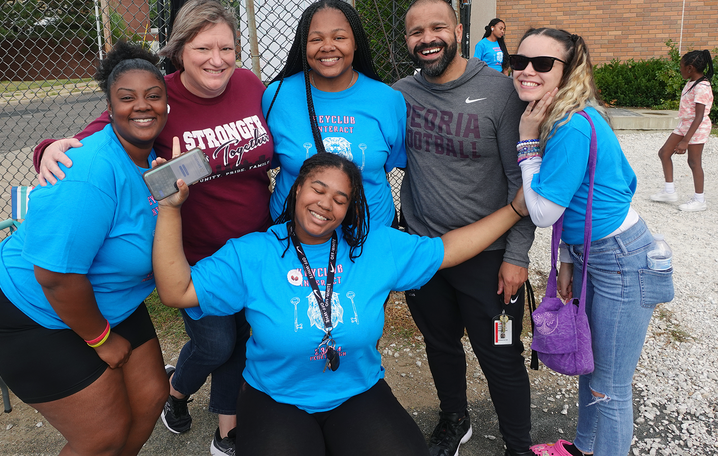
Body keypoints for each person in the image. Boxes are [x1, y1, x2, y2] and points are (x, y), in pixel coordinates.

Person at [152, 150, 529, 456]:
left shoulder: (374, 247)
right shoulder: (253, 253)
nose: (325, 204)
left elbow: (449, 249)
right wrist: (169, 209)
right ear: (297, 189)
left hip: (357, 391)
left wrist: (514, 210)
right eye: (317, 189)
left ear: (349, 209)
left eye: (340, 199)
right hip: (276, 398)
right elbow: (176, 291)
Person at [33, 0, 274, 455]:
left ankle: (228, 426)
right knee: (216, 343)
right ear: (179, 50)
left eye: (227, 48)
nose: (217, 60)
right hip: (196, 254)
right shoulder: (158, 96)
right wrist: (47, 149)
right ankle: (177, 391)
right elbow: (94, 136)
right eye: (203, 48)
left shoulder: (249, 85)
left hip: (254, 245)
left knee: (246, 333)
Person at [0, 42, 169, 456]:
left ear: (167, 104)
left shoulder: (152, 156)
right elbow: (55, 277)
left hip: (108, 298)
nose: (142, 106)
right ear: (109, 108)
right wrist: (101, 339)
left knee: (151, 398)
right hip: (31, 308)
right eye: (127, 98)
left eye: (153, 96)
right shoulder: (89, 171)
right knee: (103, 435)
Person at [513, 28, 674, 456]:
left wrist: (527, 142)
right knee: (589, 366)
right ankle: (582, 449)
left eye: (542, 63)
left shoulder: (570, 126)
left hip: (622, 258)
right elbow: (590, 195)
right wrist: (569, 259)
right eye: (519, 61)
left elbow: (543, 212)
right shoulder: (569, 114)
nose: (527, 71)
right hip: (595, 254)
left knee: (610, 387)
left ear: (567, 70)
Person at [393, 0, 535, 456]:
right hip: (427, 251)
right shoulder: (400, 94)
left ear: (458, 32)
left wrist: (517, 256)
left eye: (437, 28)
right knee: (440, 344)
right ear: (407, 41)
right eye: (416, 32)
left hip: (488, 256)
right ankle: (455, 418)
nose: (427, 39)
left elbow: (523, 184)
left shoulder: (501, 92)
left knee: (501, 354)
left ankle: (518, 446)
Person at [262, 0, 406, 228]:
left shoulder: (388, 100)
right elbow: (270, 160)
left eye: (339, 37)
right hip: (292, 231)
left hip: (372, 232)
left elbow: (390, 162)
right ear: (303, 45)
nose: (327, 46)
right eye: (316, 39)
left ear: (356, 43)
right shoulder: (276, 96)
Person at [650, 49, 714, 211]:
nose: (680, 69)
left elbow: (699, 117)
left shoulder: (702, 87)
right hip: (685, 124)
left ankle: (700, 200)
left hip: (697, 127)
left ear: (690, 68)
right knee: (664, 153)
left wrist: (685, 141)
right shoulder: (693, 82)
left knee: (694, 162)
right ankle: (669, 191)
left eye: (681, 66)